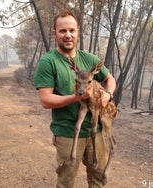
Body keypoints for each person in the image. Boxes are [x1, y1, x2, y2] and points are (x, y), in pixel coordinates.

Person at [34, 9, 116, 188]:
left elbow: (110, 79)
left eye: (72, 30)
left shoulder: (89, 59)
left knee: (98, 180)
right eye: (62, 31)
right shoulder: (48, 62)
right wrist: (77, 97)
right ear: (54, 33)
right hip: (67, 134)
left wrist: (108, 95)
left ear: (78, 32)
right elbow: (46, 100)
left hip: (96, 132)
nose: (68, 35)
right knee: (66, 183)